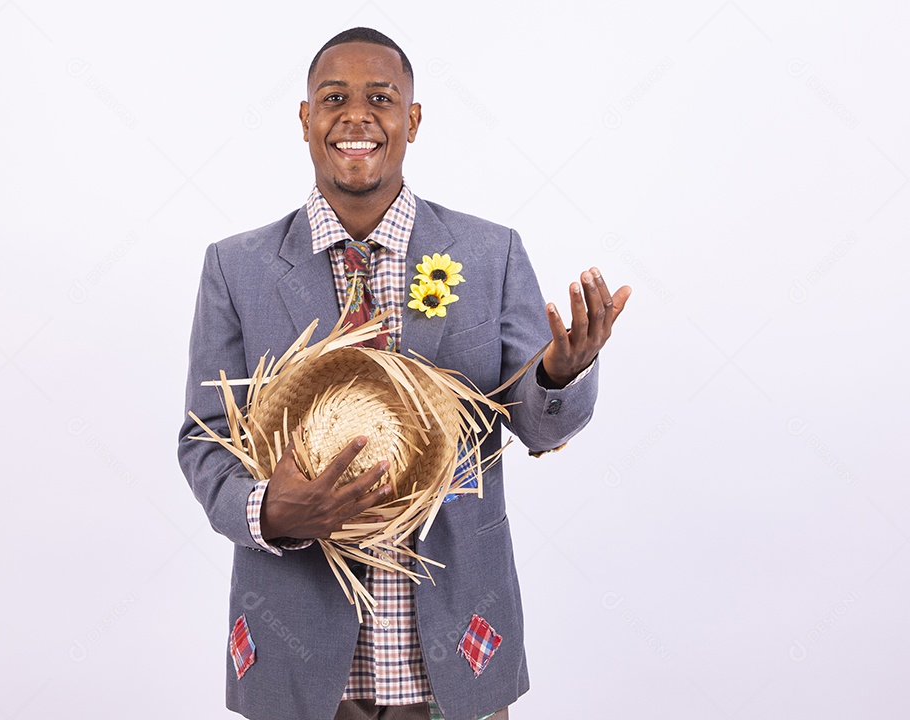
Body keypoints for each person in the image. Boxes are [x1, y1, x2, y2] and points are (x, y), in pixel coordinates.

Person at [178, 27, 630, 720]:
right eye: (334, 98)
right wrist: (267, 511)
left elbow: (536, 431)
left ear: (412, 120)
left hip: (456, 654)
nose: (356, 116)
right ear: (305, 119)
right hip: (297, 666)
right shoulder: (237, 268)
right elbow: (205, 441)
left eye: (380, 99)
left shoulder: (489, 254)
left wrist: (562, 375)